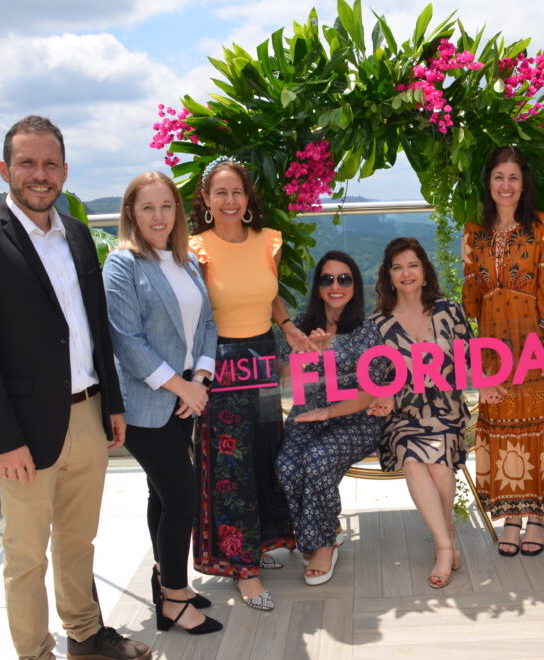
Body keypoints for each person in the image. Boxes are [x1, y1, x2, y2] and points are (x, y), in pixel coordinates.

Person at [0, 115, 150, 660]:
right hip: (21, 430)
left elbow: (94, 326)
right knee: (26, 556)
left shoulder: (76, 233)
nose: (39, 174)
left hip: (88, 412)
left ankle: (84, 632)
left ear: (65, 171)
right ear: (5, 170)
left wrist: (114, 402)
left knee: (80, 539)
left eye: (50, 163)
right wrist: (3, 441)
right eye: (27, 163)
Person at [102, 171, 222, 634]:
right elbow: (127, 341)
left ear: (177, 212)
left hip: (184, 397)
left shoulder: (185, 259)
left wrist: (201, 377)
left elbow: (207, 323)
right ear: (131, 212)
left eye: (166, 206)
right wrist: (182, 387)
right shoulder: (122, 264)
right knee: (182, 495)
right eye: (147, 207)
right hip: (146, 405)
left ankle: (166, 580)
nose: (158, 216)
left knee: (162, 492)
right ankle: (174, 598)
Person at [187, 157, 297, 611]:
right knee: (228, 468)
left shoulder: (269, 241)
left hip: (263, 356)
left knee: (263, 452)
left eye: (237, 192)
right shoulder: (195, 248)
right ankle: (240, 569)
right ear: (207, 201)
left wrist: (288, 326)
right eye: (220, 193)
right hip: (220, 362)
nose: (230, 201)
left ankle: (259, 542)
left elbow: (269, 293)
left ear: (248, 198)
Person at [461, 146, 544, 558]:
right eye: (499, 177)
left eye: (513, 178)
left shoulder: (543, 226)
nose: (506, 186)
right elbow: (471, 299)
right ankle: (511, 516)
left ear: (523, 183)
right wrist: (478, 361)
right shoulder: (473, 231)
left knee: (541, 425)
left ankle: (537, 518)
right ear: (488, 183)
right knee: (505, 424)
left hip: (535, 337)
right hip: (494, 341)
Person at [276, 251, 387, 586]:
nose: (336, 285)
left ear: (355, 284)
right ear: (318, 286)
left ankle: (323, 544)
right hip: (308, 415)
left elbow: (371, 393)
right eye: (327, 279)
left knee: (318, 457)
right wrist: (304, 353)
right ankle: (324, 528)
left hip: (356, 417)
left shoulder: (367, 332)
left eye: (344, 278)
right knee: (286, 464)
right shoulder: (300, 326)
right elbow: (282, 375)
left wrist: (330, 411)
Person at [369, 238, 474, 588]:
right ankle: (447, 545)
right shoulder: (378, 323)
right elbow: (376, 378)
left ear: (425, 272)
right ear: (389, 276)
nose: (406, 273)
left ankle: (445, 544)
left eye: (412, 265)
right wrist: (382, 398)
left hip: (446, 408)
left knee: (439, 465)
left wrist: (486, 384)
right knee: (415, 459)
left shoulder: (449, 310)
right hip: (402, 415)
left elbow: (471, 359)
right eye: (397, 267)